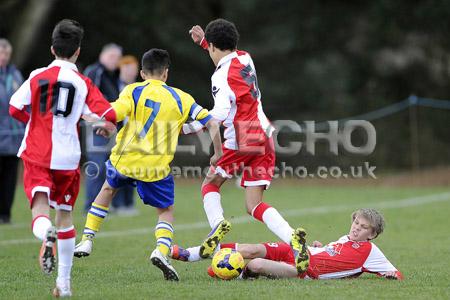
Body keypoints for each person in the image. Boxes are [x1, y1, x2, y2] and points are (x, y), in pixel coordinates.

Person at [74, 48, 223, 281]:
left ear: (142, 73)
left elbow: (114, 112)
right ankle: (161, 251)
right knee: (165, 211)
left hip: (126, 159)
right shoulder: (181, 98)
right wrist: (217, 153)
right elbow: (212, 123)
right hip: (155, 168)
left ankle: (86, 240)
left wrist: (98, 120)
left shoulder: (133, 90)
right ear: (166, 73)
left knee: (107, 190)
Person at [185, 18, 308, 274]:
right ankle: (292, 238)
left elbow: (216, 116)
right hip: (264, 134)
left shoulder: (219, 76)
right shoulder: (245, 57)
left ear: (214, 47)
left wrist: (186, 127)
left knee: (210, 184)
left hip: (242, 137)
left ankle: (217, 225)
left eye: (209, 47)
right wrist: (205, 43)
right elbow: (224, 54)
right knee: (253, 205)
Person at [9, 19, 116, 297]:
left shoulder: (37, 75)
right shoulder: (83, 82)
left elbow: (15, 108)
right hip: (69, 158)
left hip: (38, 152)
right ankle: (64, 284)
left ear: (52, 48)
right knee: (65, 216)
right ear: (78, 51)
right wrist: (98, 122)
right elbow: (109, 115)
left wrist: (36, 120)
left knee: (40, 210)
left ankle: (46, 236)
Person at [171, 208, 404, 280]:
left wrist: (391, 276)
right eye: (356, 222)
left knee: (258, 264)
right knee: (249, 249)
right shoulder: (345, 238)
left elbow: (395, 274)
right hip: (302, 251)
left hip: (305, 270)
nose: (356, 228)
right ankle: (194, 253)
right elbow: (341, 261)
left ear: (372, 235)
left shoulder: (371, 251)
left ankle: (228, 270)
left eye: (363, 228)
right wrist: (319, 246)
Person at [83, 43, 135, 213]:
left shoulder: (112, 76)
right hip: (96, 127)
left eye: (117, 58)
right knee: (96, 167)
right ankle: (91, 205)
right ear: (103, 55)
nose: (115, 61)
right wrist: (95, 122)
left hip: (111, 128)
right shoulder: (95, 72)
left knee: (111, 167)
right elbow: (89, 99)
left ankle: (104, 205)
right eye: (112, 57)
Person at [0, 38, 24, 224]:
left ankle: (5, 214)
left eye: (6, 53)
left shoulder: (15, 75)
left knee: (10, 178)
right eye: (1, 53)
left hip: (14, 137)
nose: (3, 57)